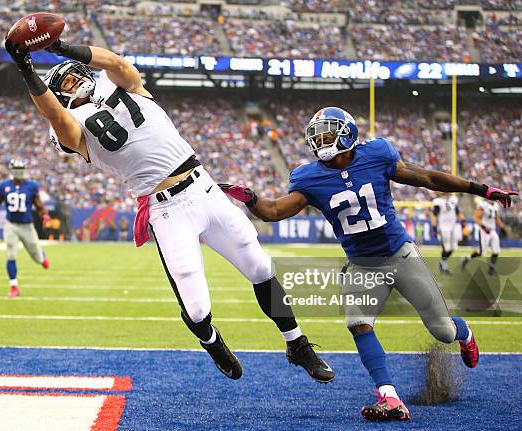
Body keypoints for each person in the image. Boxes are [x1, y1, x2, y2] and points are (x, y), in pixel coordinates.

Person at [3, 36, 334, 382]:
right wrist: (26, 69)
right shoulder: (73, 130)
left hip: (204, 187)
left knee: (260, 267)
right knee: (197, 308)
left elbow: (115, 63)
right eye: (65, 84)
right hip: (167, 210)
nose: (75, 83)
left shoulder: (127, 86)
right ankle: (211, 341)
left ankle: (296, 344)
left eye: (75, 75)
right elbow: (54, 113)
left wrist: (61, 47)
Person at [219, 107, 517, 421]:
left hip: (399, 254)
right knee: (358, 322)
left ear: (347, 133)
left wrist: (482, 190)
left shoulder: (377, 154)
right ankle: (388, 395)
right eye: (317, 136)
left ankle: (465, 332)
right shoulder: (309, 176)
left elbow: (428, 178)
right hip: (362, 264)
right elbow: (275, 211)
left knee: (442, 330)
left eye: (327, 134)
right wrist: (251, 198)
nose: (321, 141)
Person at [0, 159, 50, 297]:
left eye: (21, 169)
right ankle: (13, 286)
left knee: (38, 259)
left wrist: (44, 215)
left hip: (27, 226)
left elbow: (39, 206)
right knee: (11, 254)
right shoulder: (4, 186)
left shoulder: (31, 186)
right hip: (11, 225)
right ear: (12, 170)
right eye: (17, 169)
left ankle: (42, 256)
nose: (19, 172)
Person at [461, 199, 505, 276]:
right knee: (482, 253)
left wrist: (502, 227)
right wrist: (484, 227)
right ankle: (466, 259)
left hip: (492, 230)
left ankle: (491, 269)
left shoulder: (495, 205)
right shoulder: (483, 205)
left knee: (496, 250)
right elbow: (476, 217)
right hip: (484, 231)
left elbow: (496, 218)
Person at [431, 195, 465, 274]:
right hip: (443, 228)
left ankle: (442, 263)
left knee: (453, 248)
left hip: (453, 227)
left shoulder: (453, 200)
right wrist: (434, 228)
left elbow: (458, 212)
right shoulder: (438, 201)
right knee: (446, 248)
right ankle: (444, 267)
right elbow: (434, 215)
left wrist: (463, 221)